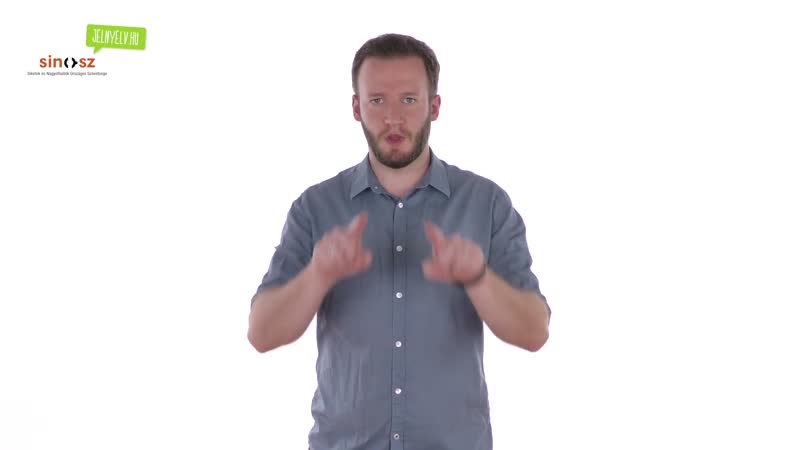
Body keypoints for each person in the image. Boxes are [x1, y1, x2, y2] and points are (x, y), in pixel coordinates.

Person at [248, 33, 551, 450]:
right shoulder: (314, 208)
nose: (393, 118)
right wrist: (318, 275)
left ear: (434, 107)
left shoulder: (487, 203)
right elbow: (261, 334)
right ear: (356, 107)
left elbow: (535, 333)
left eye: (409, 100)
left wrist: (477, 278)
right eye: (377, 101)